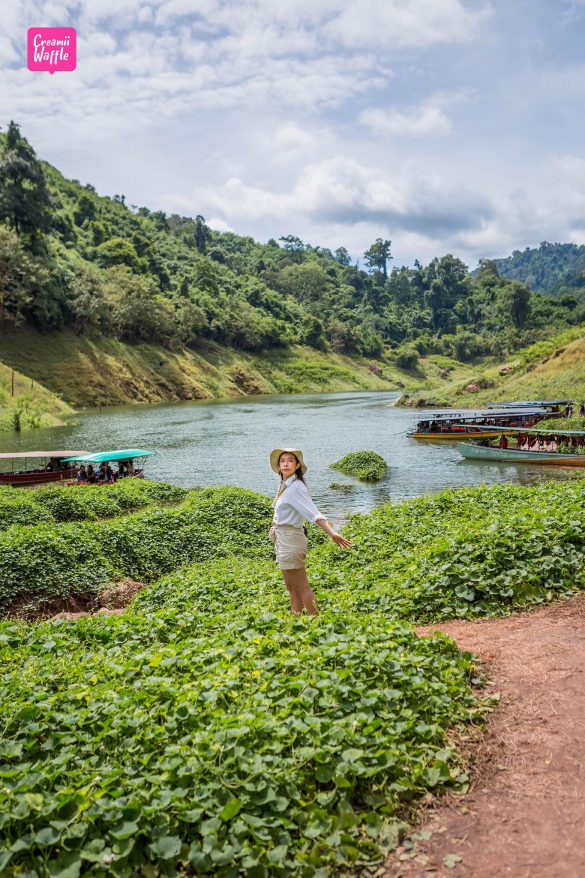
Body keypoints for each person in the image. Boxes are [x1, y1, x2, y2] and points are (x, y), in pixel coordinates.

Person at [269, 448, 351, 616]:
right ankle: (296, 618)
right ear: (278, 466)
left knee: (302, 586)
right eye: (282, 460)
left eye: (290, 460)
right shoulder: (285, 485)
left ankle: (317, 620)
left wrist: (332, 533)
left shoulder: (297, 487)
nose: (286, 463)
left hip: (292, 539)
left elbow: (314, 513)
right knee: (290, 586)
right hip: (283, 539)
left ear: (297, 465)